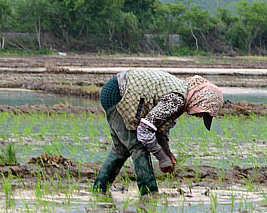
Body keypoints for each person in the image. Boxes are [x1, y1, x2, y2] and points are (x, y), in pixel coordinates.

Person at [92, 68, 223, 195]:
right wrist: (162, 158)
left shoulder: (181, 97)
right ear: (200, 99)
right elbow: (144, 130)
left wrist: (167, 152)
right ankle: (149, 194)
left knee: (120, 149)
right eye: (203, 113)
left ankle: (99, 190)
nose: (199, 117)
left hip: (115, 90)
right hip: (119, 92)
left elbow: (160, 128)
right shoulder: (176, 99)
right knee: (138, 146)